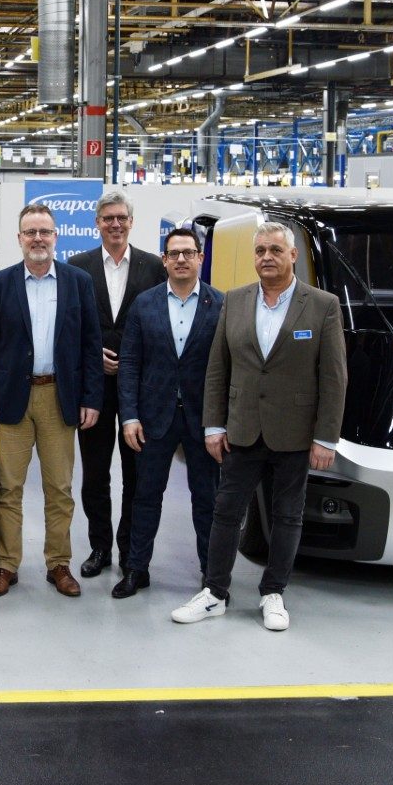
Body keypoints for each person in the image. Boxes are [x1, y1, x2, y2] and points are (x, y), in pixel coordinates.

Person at [175, 220, 346, 631]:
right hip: (242, 429)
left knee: (287, 516)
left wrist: (326, 437)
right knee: (226, 512)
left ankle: (273, 593)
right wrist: (213, 425)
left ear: (293, 256)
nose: (266, 257)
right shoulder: (235, 301)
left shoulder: (322, 305)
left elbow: (334, 376)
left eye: (275, 250)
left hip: (295, 432)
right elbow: (218, 368)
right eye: (260, 251)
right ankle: (215, 592)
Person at [0, 202, 103, 599]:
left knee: (59, 488)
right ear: (19, 238)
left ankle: (58, 564)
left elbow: (90, 345)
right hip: (11, 400)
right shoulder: (0, 284)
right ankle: (6, 565)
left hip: (59, 398)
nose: (38, 238)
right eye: (30, 232)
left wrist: (91, 397)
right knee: (8, 488)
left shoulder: (78, 282)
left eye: (44, 231)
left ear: (55, 237)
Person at [114, 227, 223, 599]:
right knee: (145, 497)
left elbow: (227, 368)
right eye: (174, 253)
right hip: (152, 419)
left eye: (188, 253)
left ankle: (212, 575)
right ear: (164, 260)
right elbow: (130, 363)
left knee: (207, 500)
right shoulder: (144, 304)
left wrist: (220, 422)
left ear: (200, 258)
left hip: (203, 420)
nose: (181, 259)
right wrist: (129, 416)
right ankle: (136, 569)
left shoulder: (220, 305)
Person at [67, 190, 166, 580]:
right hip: (93, 389)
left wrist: (132, 360)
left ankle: (130, 551)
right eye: (108, 218)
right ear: (97, 223)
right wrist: (94, 356)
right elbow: (70, 326)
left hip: (138, 390)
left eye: (121, 217)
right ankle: (99, 548)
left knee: (136, 474)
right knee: (94, 475)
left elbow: (159, 323)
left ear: (131, 222)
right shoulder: (78, 267)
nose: (115, 224)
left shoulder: (153, 267)